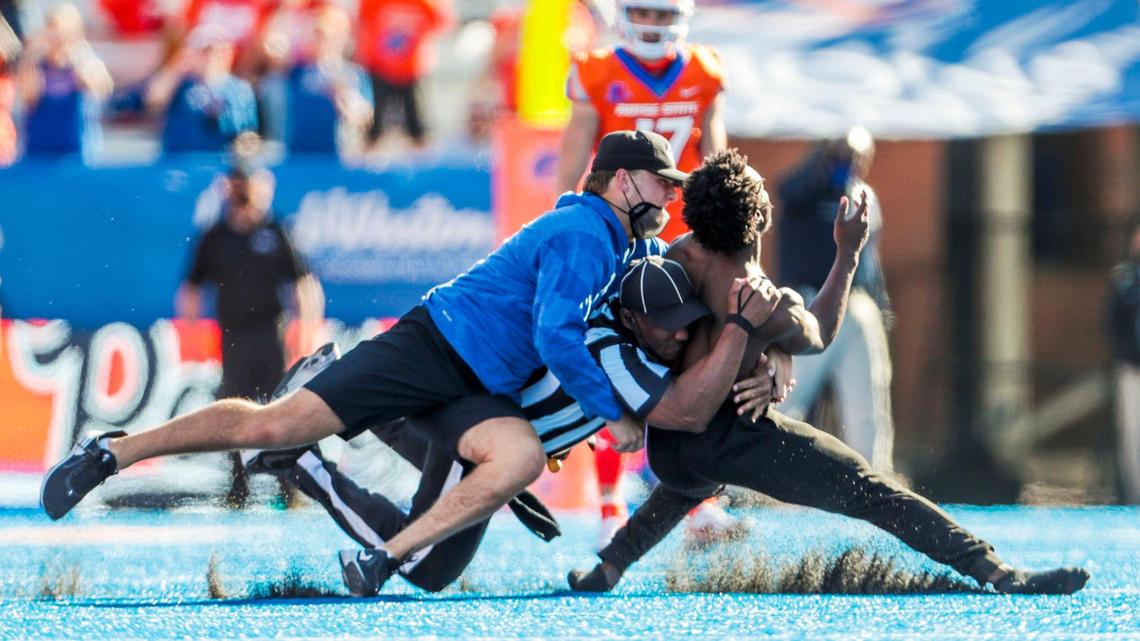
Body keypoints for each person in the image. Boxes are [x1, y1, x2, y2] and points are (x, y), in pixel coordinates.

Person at [39, 130, 687, 598]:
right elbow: (555, 337)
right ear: (624, 180)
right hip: (435, 348)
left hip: (479, 387)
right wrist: (615, 412)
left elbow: (672, 271)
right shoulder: (585, 234)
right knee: (274, 425)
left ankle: (385, 552)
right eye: (664, 183)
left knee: (466, 525)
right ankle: (113, 452)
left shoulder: (616, 236)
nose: (670, 194)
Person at [566, 149, 1090, 596]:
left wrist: (772, 360)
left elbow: (666, 333)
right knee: (872, 490)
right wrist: (847, 252)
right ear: (757, 221)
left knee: (683, 483)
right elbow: (818, 332)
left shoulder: (674, 259)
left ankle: (610, 565)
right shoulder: (751, 287)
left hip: (671, 448)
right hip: (727, 437)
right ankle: (998, 572)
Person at [241, 250, 780, 592]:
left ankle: (332, 386)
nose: (680, 336)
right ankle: (298, 462)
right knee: (427, 567)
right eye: (670, 326)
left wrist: (776, 360)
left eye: (685, 325)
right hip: (487, 432)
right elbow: (685, 410)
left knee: (432, 448)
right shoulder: (616, 352)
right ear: (635, 318)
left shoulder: (619, 306)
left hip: (484, 416)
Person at [555, 0, 728, 542]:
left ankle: (698, 501)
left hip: (684, 241)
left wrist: (723, 228)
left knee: (697, 364)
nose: (652, 25)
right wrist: (568, 223)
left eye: (662, 14)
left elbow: (717, 158)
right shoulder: (597, 69)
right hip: (622, 239)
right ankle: (609, 503)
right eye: (643, 13)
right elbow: (573, 159)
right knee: (613, 358)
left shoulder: (704, 70)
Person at [177, 162, 324, 508]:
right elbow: (191, 288)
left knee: (281, 409)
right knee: (233, 412)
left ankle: (290, 488)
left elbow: (304, 283)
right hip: (233, 337)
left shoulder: (276, 230)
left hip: (271, 335)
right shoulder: (214, 236)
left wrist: (308, 329)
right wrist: (193, 335)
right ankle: (237, 486)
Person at [776, 126, 895, 472]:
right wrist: (824, 160)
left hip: (856, 305)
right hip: (812, 304)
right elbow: (789, 191)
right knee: (786, 395)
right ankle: (738, 484)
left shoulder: (865, 195)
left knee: (868, 405)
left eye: (858, 155)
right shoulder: (806, 192)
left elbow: (871, 258)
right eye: (844, 154)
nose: (852, 162)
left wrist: (880, 303)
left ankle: (876, 480)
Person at [15, 3, 112, 162]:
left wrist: (76, 59)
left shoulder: (86, 60)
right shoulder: (36, 64)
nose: (57, 36)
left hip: (76, 149)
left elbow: (101, 89)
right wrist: (31, 57)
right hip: (39, 149)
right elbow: (28, 98)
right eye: (52, 29)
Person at [147, 24, 259, 154]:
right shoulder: (182, 85)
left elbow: (244, 135)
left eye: (218, 51)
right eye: (205, 52)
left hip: (219, 163)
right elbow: (153, 101)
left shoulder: (238, 89)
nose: (211, 57)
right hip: (179, 163)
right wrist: (177, 67)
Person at [356, 0, 451, 151]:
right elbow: (361, 24)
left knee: (417, 125)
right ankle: (365, 166)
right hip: (380, 69)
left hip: (411, 71)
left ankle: (423, 166)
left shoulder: (425, 4)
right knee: (375, 126)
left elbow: (442, 23)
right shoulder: (373, 3)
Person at [1108, 221, 1140, 503]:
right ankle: (1135, 496)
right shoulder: (1126, 281)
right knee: (1132, 438)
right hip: (1132, 369)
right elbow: (1114, 324)